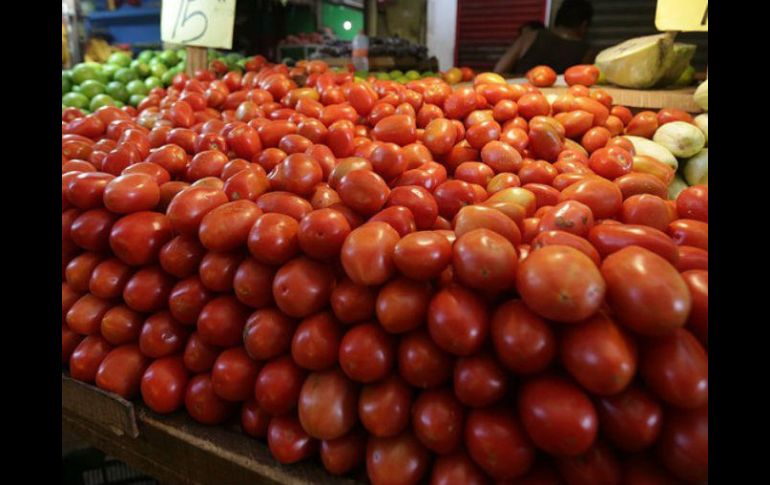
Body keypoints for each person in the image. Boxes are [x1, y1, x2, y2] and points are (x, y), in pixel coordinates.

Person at [493, 0, 594, 76]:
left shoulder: (531, 36)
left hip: (521, 97)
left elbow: (499, 70)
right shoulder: (586, 52)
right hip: (560, 101)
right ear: (584, 24)